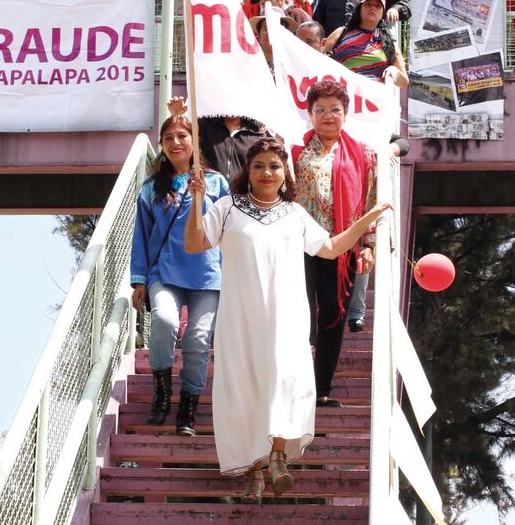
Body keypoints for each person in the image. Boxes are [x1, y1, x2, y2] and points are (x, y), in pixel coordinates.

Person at [185, 138, 390, 502]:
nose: (267, 172)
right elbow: (195, 244)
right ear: (248, 170)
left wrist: (364, 224)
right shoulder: (227, 207)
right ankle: (253, 472)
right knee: (246, 389)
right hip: (240, 319)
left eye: (275, 166)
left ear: (285, 173)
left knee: (282, 382)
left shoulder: (295, 213)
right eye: (259, 165)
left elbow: (328, 248)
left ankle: (278, 457)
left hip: (286, 318)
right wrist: (197, 201)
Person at [129, 115, 229, 436]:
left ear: (194, 141)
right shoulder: (151, 187)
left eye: (182, 135)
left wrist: (202, 194)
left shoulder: (215, 182)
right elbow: (141, 235)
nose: (175, 142)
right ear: (162, 145)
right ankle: (161, 390)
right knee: (165, 321)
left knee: (198, 340)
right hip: (165, 271)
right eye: (168, 137)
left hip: (208, 272)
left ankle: (188, 405)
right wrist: (139, 280)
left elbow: (228, 228)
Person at [290, 80, 380, 411]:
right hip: (298, 244)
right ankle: (293, 386)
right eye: (320, 110)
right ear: (310, 114)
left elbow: (369, 202)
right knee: (298, 314)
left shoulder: (363, 154)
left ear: (346, 113)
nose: (328, 116)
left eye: (335, 110)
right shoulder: (294, 151)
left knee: (333, 313)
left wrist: (368, 244)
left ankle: (321, 388)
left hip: (341, 246)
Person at [165, 97, 273, 183]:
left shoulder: (259, 133)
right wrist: (177, 116)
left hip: (243, 203)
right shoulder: (203, 125)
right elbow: (181, 143)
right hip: (208, 198)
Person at [325, 0, 409, 87]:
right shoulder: (341, 33)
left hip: (373, 98)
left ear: (383, 13)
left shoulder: (389, 43)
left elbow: (404, 82)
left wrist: (394, 71)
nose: (373, 8)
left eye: (378, 6)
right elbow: (319, 57)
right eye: (368, 4)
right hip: (342, 93)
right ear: (359, 9)